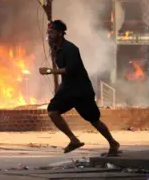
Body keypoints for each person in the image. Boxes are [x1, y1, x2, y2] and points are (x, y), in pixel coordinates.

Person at [39, 20, 120, 156]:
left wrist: (49, 71)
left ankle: (113, 142)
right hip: (68, 90)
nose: (49, 35)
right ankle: (73, 140)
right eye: (48, 32)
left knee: (94, 120)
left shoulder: (71, 49)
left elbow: (70, 70)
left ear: (60, 33)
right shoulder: (55, 49)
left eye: (52, 32)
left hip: (81, 90)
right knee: (52, 111)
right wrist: (60, 89)